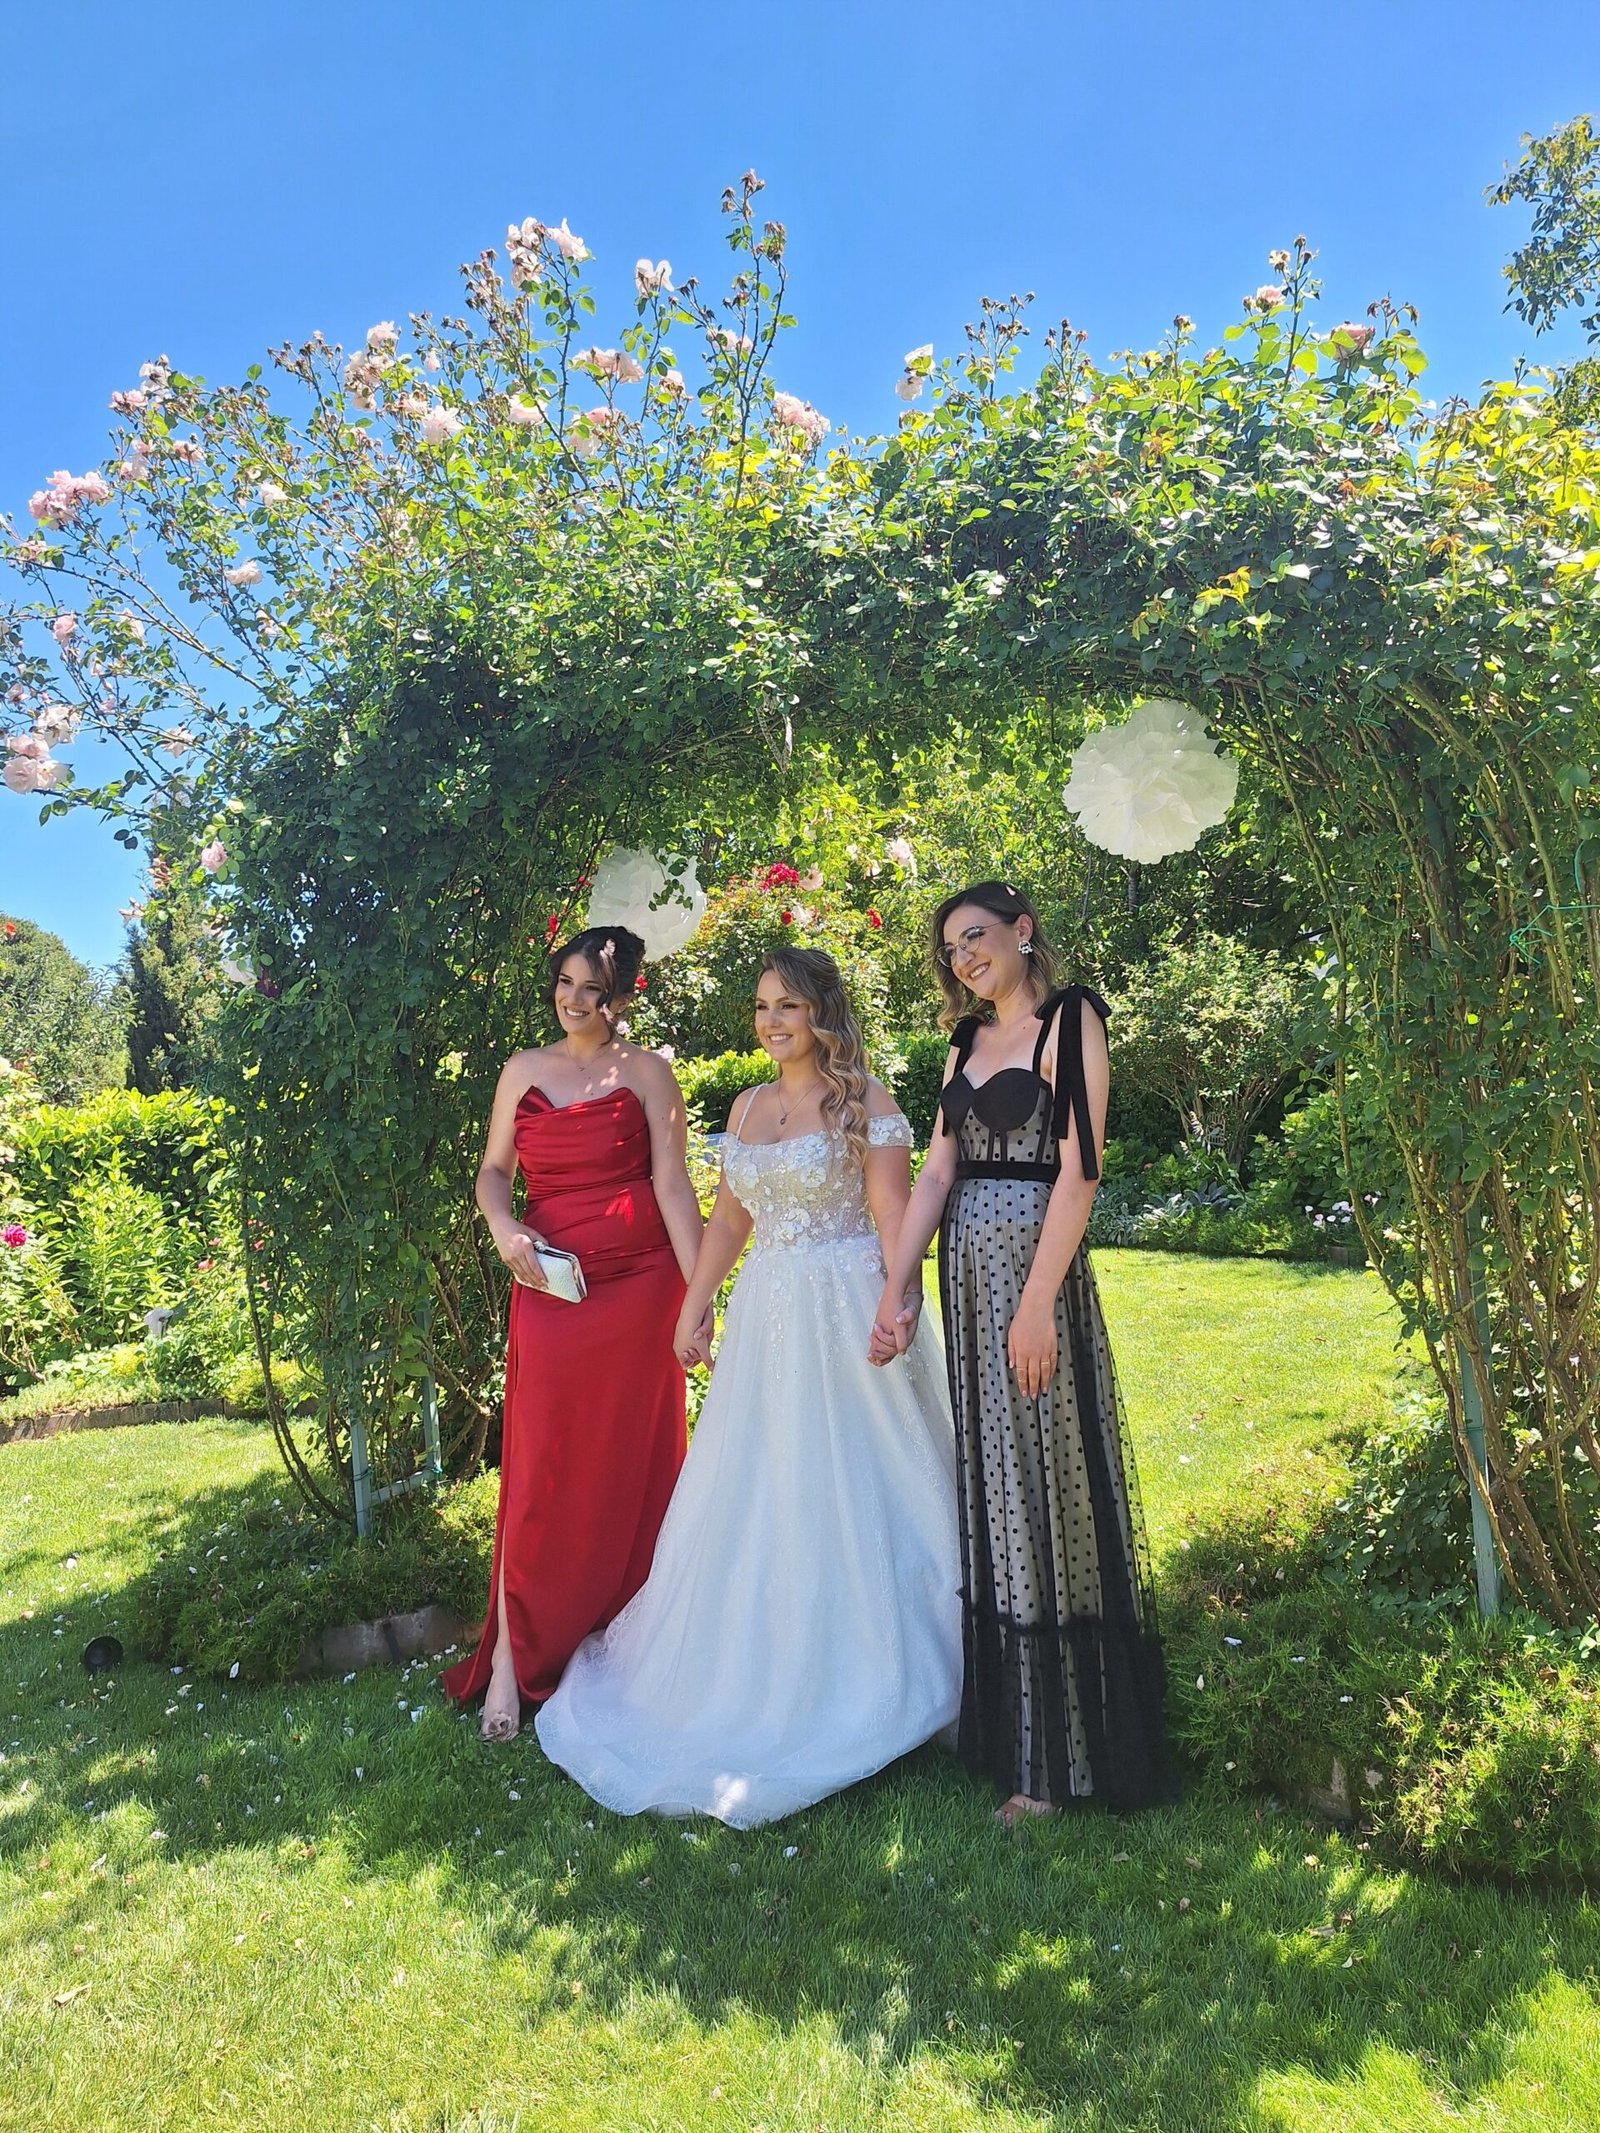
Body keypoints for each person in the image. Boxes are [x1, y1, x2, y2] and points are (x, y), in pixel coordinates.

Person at [535, 947, 961, 1826]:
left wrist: (900, 1296)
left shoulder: (866, 1102)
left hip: (845, 1309)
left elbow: (893, 1215)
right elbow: (730, 1219)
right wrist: (694, 1305)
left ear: (821, 1013)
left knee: (861, 1480)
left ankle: (892, 1666)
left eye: (788, 1007)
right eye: (763, 1007)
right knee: (763, 1482)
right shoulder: (747, 1107)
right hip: (770, 1311)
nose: (771, 1022)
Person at [872, 882, 1165, 1824]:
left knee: (1046, 1481)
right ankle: (1022, 1736)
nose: (964, 957)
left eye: (976, 937)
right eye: (951, 948)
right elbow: (937, 1172)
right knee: (998, 1484)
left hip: (1032, 1281)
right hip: (967, 1282)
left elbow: (1080, 1170)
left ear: (1023, 932)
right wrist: (898, 1284)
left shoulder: (1071, 1020)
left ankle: (1062, 1757)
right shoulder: (965, 1041)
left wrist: (1037, 1305)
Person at [441, 926, 704, 1740]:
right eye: (565, 981)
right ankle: (512, 1660)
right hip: (550, 1286)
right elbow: (493, 1172)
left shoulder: (649, 1073)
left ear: (622, 996)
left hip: (642, 1290)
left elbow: (672, 1185)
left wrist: (698, 1300)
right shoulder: (522, 1069)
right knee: (539, 1467)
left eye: (594, 987)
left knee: (635, 1465)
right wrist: (503, 1227)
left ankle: (636, 1644)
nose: (575, 999)